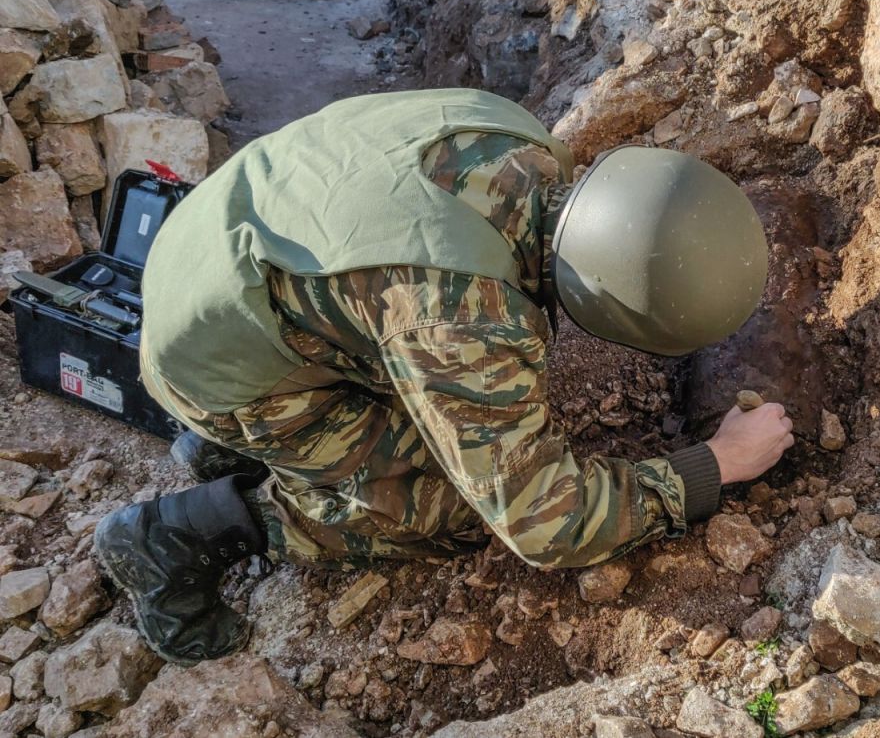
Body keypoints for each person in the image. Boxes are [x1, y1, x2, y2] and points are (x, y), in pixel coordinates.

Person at [94, 88, 794, 666]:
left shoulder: (525, 144)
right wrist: (715, 465)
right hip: (209, 360)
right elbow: (545, 521)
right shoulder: (465, 318)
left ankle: (251, 441)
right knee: (453, 508)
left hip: (216, 250)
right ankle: (180, 533)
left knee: (430, 392)